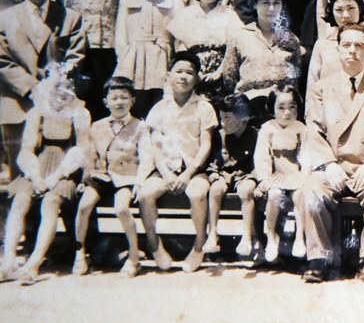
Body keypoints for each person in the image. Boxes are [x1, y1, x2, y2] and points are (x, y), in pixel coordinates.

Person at [300, 24, 364, 283]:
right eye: (346, 45)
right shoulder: (321, 88)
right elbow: (314, 130)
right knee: (312, 189)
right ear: (338, 49)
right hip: (334, 165)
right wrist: (328, 163)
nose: (352, 51)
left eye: (359, 46)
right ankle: (319, 259)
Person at [0, 70, 90, 284]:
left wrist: (56, 177)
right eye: (57, 86)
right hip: (39, 168)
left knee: (50, 203)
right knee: (20, 200)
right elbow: (26, 149)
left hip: (66, 169)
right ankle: (8, 261)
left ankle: (34, 263)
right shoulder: (37, 111)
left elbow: (81, 150)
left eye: (68, 87)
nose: (62, 92)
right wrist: (35, 176)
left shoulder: (79, 112)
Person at [0, 0, 85, 176]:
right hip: (18, 102)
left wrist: (53, 86)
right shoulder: (5, 18)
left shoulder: (70, 17)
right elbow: (2, 61)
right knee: (19, 176)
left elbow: (75, 56)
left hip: (58, 106)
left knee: (56, 174)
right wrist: (33, 87)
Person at [137, 52, 216, 273]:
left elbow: (206, 145)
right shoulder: (159, 108)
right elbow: (155, 147)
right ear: (168, 75)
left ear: (197, 78)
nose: (183, 77)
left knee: (197, 194)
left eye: (189, 72)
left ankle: (199, 245)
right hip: (166, 169)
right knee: (145, 194)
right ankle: (154, 244)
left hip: (194, 169)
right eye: (178, 71)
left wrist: (188, 173)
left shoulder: (204, 107)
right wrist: (167, 174)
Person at [73, 76, 151, 277]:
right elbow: (90, 155)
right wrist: (85, 180)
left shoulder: (140, 127)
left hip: (126, 178)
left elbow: (146, 158)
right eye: (114, 98)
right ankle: (79, 254)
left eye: (124, 97)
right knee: (83, 206)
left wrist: (139, 183)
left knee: (122, 208)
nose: (119, 102)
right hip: (102, 176)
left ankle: (134, 256)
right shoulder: (97, 126)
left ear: (132, 101)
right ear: (105, 102)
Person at [217, 0, 305, 120]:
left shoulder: (291, 39)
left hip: (280, 111)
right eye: (265, 3)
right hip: (248, 109)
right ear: (254, 4)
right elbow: (229, 78)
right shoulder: (240, 36)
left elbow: (295, 80)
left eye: (276, 3)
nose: (271, 8)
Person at [113, 0, 181, 118]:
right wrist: (124, 59)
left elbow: (180, 35)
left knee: (163, 107)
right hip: (134, 61)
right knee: (137, 108)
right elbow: (121, 35)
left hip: (163, 59)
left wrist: (177, 63)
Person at [166, 0, 244, 103]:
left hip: (221, 69)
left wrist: (219, 72)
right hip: (193, 70)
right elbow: (181, 48)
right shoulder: (185, 14)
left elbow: (233, 48)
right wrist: (193, 71)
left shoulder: (229, 15)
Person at [253, 83, 309, 262]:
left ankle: (299, 237)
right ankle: (271, 236)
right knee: (274, 195)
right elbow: (262, 156)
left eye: (292, 107)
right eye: (281, 107)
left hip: (295, 175)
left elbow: (305, 155)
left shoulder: (301, 129)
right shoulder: (267, 129)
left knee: (300, 195)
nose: (287, 113)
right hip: (276, 175)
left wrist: (305, 175)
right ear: (273, 108)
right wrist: (264, 178)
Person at [205, 93, 259, 259]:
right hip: (225, 174)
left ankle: (246, 236)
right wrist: (213, 173)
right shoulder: (220, 135)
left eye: (227, 118)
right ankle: (213, 233)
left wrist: (257, 179)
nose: (223, 122)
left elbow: (258, 163)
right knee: (215, 189)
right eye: (221, 118)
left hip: (246, 175)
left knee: (246, 191)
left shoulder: (255, 135)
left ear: (243, 118)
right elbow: (215, 160)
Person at [305, 0, 364, 118]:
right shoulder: (323, 45)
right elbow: (312, 85)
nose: (346, 15)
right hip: (330, 113)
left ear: (360, 8)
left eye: (351, 8)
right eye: (339, 10)